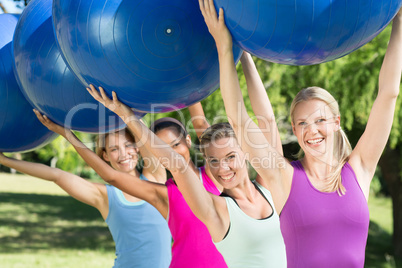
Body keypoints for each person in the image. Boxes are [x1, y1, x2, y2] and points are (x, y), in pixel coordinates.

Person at [200, 0, 402, 266]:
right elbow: (239, 121)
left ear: (336, 122)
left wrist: (399, 21)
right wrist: (225, 49)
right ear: (294, 129)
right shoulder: (283, 176)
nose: (312, 130)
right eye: (302, 123)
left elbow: (388, 94)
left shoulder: (359, 168)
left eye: (320, 120)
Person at [86, 77, 287, 267]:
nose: (222, 166)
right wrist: (125, 117)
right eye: (214, 160)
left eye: (175, 144)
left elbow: (265, 122)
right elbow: (172, 166)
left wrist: (190, 81)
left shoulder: (219, 178)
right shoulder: (198, 198)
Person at [0, 120, 172, 268]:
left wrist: (124, 106)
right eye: (114, 149)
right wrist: (5, 160)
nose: (123, 154)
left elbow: (143, 132)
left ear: (137, 148)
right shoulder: (105, 196)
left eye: (128, 145)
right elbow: (56, 175)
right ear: (104, 156)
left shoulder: (155, 179)